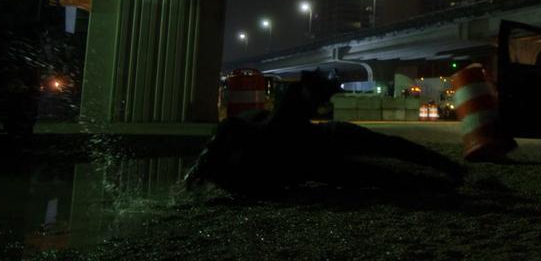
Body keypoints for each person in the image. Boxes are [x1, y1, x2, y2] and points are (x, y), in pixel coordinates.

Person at [184, 69, 464, 196]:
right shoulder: (242, 134)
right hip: (309, 155)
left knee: (380, 169)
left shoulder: (239, 138)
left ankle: (443, 177)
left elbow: (200, 172)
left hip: (305, 157)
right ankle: (445, 176)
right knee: (382, 164)